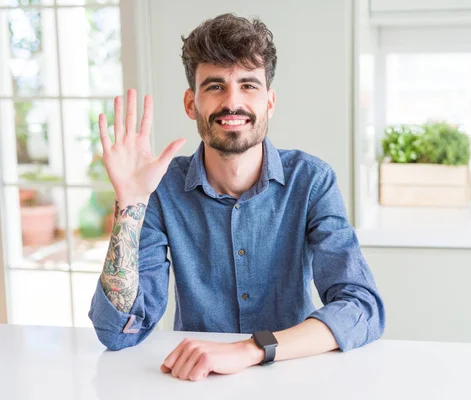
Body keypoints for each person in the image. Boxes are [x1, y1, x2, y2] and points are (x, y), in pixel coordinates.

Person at [88, 12, 385, 381]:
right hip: (194, 382)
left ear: (269, 102)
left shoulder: (311, 181)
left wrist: (249, 350)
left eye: (248, 85)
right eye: (214, 86)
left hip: (294, 377)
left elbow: (361, 308)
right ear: (190, 103)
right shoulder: (161, 189)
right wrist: (130, 204)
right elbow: (118, 333)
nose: (232, 102)